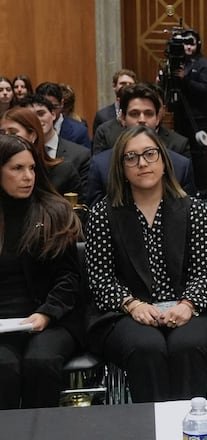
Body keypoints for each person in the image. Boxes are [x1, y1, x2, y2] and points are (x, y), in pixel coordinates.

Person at [85, 125, 207, 402]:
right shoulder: (103, 213)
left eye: (150, 154)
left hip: (192, 307)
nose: (142, 163)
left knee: (187, 344)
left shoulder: (193, 209)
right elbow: (100, 280)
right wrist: (134, 305)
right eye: (131, 157)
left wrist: (187, 305)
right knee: (146, 346)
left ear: (163, 160)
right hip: (124, 312)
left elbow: (206, 272)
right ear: (121, 167)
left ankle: (191, 427)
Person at [0, 134, 82, 409]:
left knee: (41, 363)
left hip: (51, 319)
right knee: (4, 368)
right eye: (17, 168)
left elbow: (69, 278)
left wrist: (47, 313)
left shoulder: (53, 211)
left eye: (32, 168)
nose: (28, 176)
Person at [17, 95, 90, 197]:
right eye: (30, 116)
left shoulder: (80, 155)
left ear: (53, 115)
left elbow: (83, 200)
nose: (37, 120)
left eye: (41, 114)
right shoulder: (18, 154)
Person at [171, 29, 207, 192]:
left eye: (191, 43)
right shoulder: (178, 63)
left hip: (199, 116)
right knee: (182, 150)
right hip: (180, 113)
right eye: (185, 43)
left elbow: (206, 89)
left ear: (198, 45)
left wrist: (186, 80)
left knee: (198, 153)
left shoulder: (202, 63)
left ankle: (202, 189)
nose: (188, 47)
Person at [0, 106, 81, 196]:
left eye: (13, 133)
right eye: (2, 133)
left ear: (32, 136)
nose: (6, 138)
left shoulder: (62, 171)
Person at [35, 82, 91, 150]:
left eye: (54, 107)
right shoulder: (30, 130)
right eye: (45, 108)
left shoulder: (79, 132)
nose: (50, 112)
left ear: (61, 103)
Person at [93, 69, 137, 135]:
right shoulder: (102, 116)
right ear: (114, 86)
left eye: (131, 84)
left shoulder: (141, 114)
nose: (127, 86)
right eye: (123, 83)